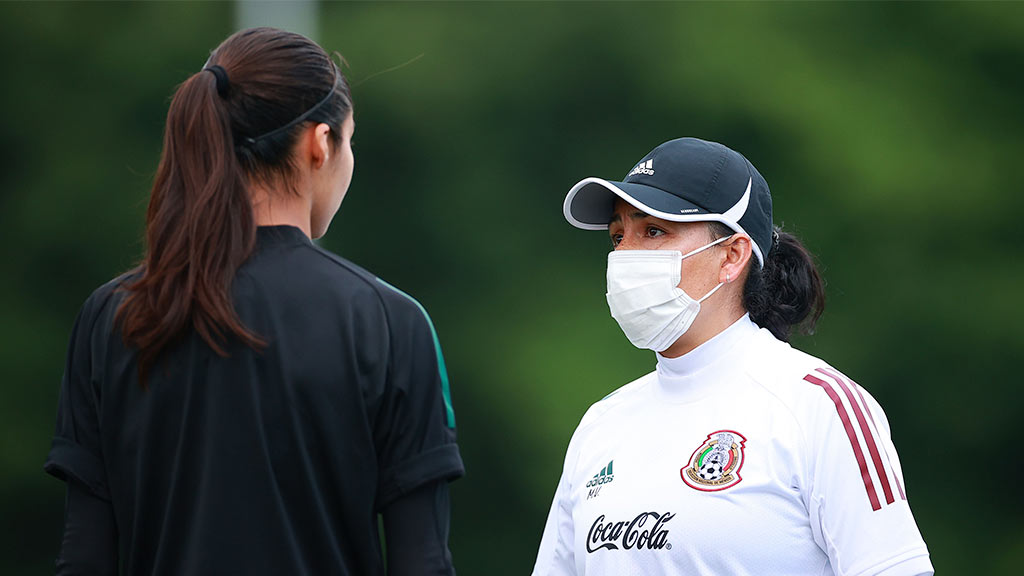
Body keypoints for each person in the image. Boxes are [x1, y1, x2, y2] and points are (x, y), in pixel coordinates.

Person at [43, 27, 463, 576]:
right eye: (350, 139)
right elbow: (422, 562)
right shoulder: (388, 322)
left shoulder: (115, 316)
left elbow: (83, 557)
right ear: (320, 143)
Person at [531, 138, 932, 575]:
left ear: (732, 256)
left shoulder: (819, 406)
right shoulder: (600, 425)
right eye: (617, 237)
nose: (625, 256)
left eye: (653, 231)